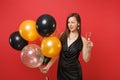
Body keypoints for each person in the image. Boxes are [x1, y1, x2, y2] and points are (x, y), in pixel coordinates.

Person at [39, 13, 93, 80]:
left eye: (72, 22)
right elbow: (57, 53)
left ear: (78, 23)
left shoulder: (83, 40)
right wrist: (48, 66)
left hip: (74, 73)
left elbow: (86, 59)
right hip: (62, 71)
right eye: (68, 22)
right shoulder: (62, 36)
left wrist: (89, 49)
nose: (70, 25)